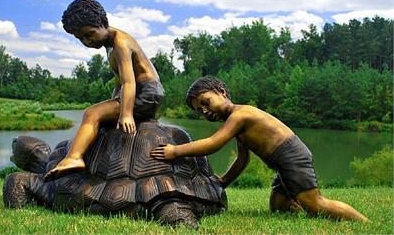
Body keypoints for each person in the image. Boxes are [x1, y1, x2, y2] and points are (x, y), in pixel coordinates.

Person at [150, 76, 368, 222]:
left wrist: (176, 151)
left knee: (315, 203)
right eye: (200, 110)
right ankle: (300, 205)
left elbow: (214, 143)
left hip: (292, 157)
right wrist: (224, 181)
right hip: (282, 164)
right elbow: (242, 159)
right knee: (278, 207)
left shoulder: (240, 115)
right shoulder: (237, 123)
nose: (205, 111)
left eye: (206, 102)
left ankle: (363, 223)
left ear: (222, 91)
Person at [45, 0, 164, 180]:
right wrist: (112, 104)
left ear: (103, 22)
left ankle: (74, 157)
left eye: (90, 34)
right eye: (81, 38)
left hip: (147, 94)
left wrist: (125, 114)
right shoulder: (109, 44)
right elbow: (119, 82)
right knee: (100, 114)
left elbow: (128, 82)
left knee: (92, 113)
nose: (87, 41)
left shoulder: (120, 44)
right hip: (142, 92)